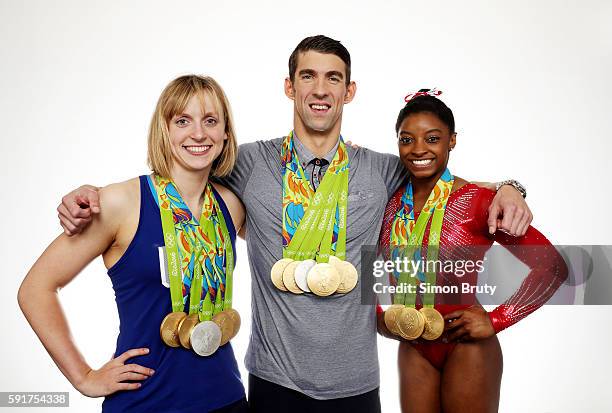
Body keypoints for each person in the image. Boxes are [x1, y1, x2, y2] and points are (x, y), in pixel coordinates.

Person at [56, 36, 532, 413]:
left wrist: (510, 187)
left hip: (358, 386)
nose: (320, 89)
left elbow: (441, 177)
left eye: (333, 79)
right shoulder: (246, 163)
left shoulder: (381, 169)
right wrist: (89, 196)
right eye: (308, 76)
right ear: (290, 87)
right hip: (273, 384)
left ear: (349, 91)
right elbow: (179, 173)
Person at [18, 75, 248, 413]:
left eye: (210, 121)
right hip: (145, 402)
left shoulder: (231, 205)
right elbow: (35, 289)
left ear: (225, 133)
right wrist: (84, 377)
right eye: (183, 120)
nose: (198, 133)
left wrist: (352, 160)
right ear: (164, 130)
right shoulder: (119, 203)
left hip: (226, 399)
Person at [376, 90, 568, 413]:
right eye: (407, 139)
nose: (418, 149)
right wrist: (380, 318)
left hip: (466, 347)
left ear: (452, 140)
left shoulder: (476, 202)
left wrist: (496, 319)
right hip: (413, 346)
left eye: (432, 138)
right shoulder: (389, 201)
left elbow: (551, 266)